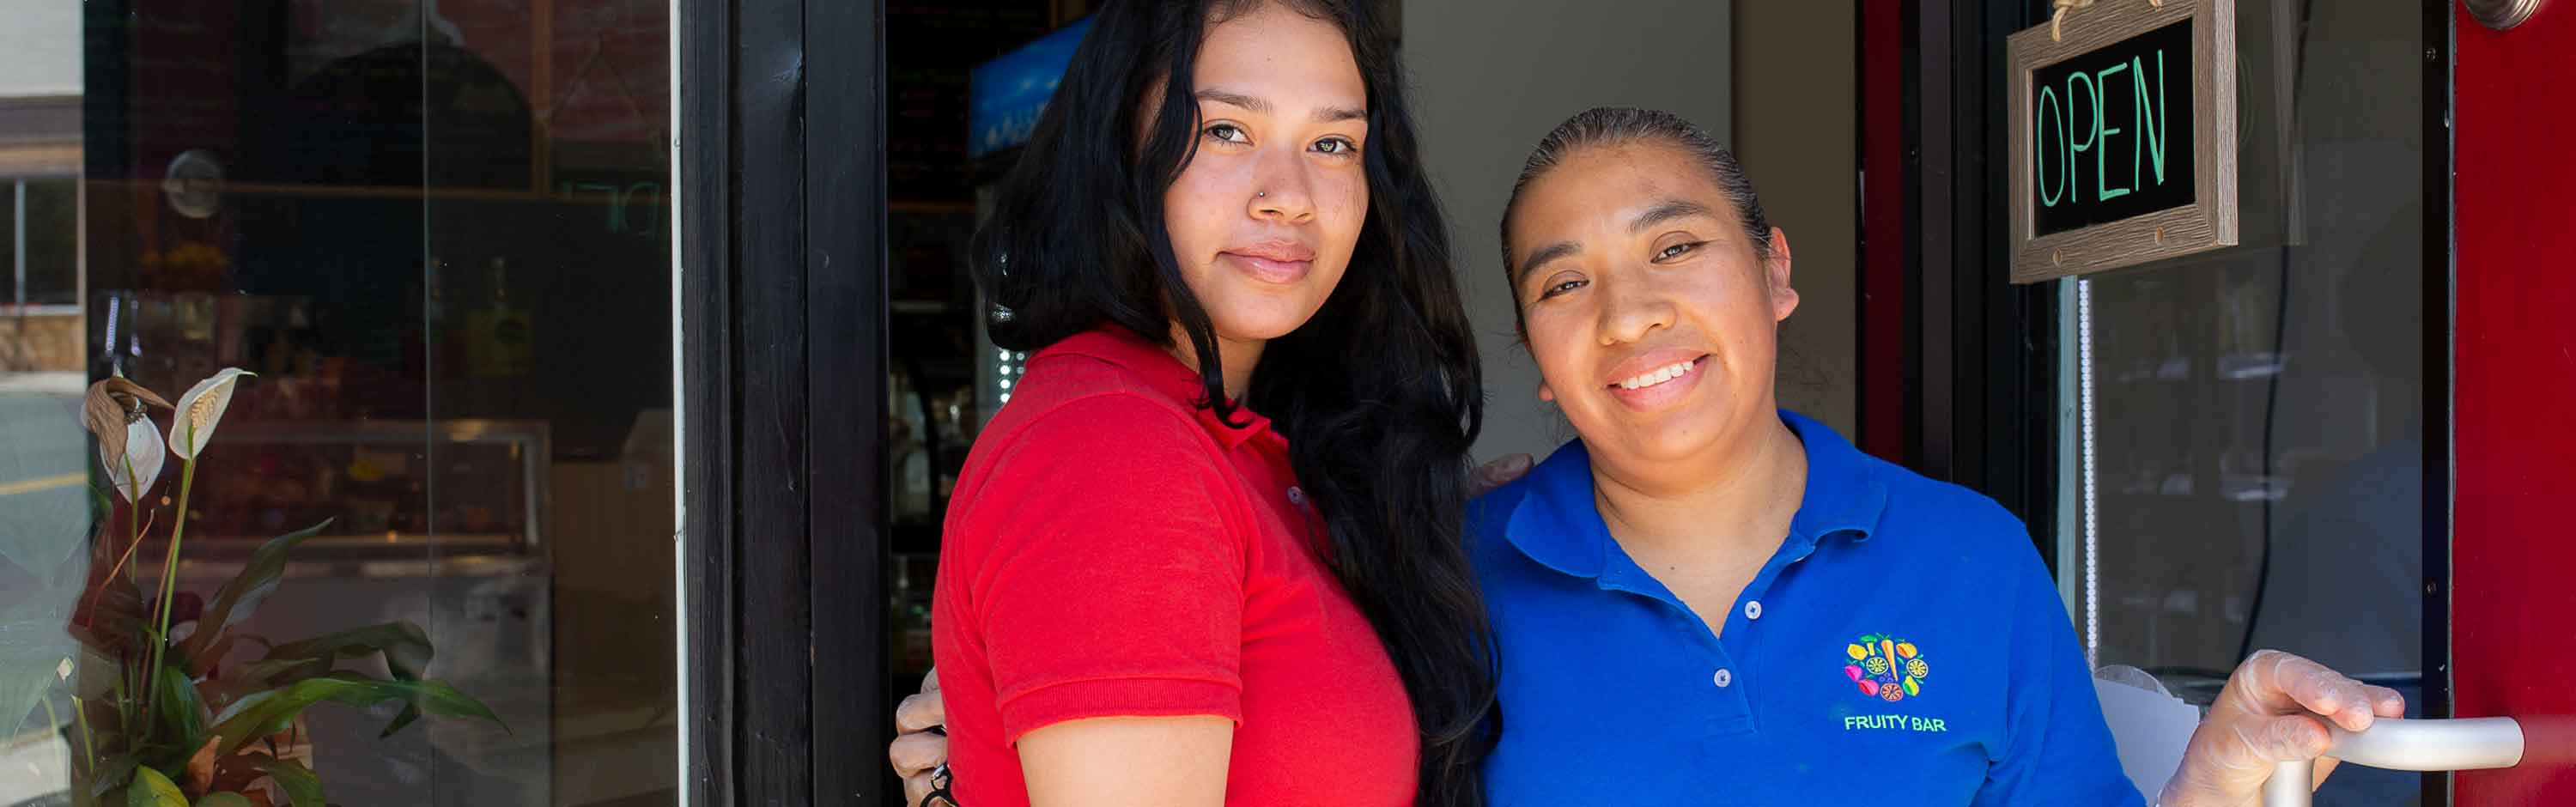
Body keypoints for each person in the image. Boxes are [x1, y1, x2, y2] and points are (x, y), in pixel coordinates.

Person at [898, 105, 2403, 805]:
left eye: (1678, 247)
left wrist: (2221, 776)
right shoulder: (1438, 578)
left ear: (1775, 274)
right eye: (1563, 286)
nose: (1630, 318)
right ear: (1540, 360)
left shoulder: (1966, 558)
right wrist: (979, 742)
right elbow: (1241, 732)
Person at [922, 1, 1498, 806]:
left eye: (1332, 143)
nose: (1290, 196)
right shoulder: (1113, 454)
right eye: (1227, 130)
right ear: (1118, 147)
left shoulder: (1247, 446)